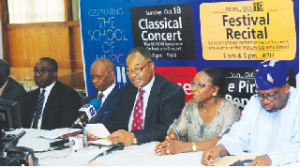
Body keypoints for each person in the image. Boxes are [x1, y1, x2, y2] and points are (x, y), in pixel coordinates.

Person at [201, 58, 299, 166]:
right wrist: (220, 148)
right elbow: (239, 135)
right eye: (261, 95)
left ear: (285, 88)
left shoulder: (297, 105)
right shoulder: (255, 102)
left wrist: (271, 158)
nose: (265, 101)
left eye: (271, 95)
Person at [87, 47, 186, 146]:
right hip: (125, 148)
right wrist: (99, 132)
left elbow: (167, 128)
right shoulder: (127, 91)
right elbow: (116, 119)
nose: (133, 75)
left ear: (151, 66)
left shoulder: (172, 92)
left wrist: (134, 137)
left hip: (154, 149)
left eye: (137, 69)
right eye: (129, 71)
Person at [154, 68, 240, 155]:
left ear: (214, 90)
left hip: (216, 160)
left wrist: (186, 147)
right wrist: (171, 140)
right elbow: (176, 129)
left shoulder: (230, 108)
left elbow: (226, 141)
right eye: (193, 84)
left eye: (200, 85)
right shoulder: (191, 106)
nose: (193, 89)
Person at [22, 57, 81, 130]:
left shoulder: (68, 95)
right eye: (36, 71)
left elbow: (66, 127)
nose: (37, 75)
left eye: (43, 71)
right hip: (28, 136)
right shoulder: (31, 95)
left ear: (54, 73)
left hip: (50, 138)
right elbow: (22, 123)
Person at [85, 57, 119, 124]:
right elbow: (81, 124)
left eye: (99, 77)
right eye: (92, 77)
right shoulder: (90, 99)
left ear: (111, 75)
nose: (94, 81)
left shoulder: (121, 98)